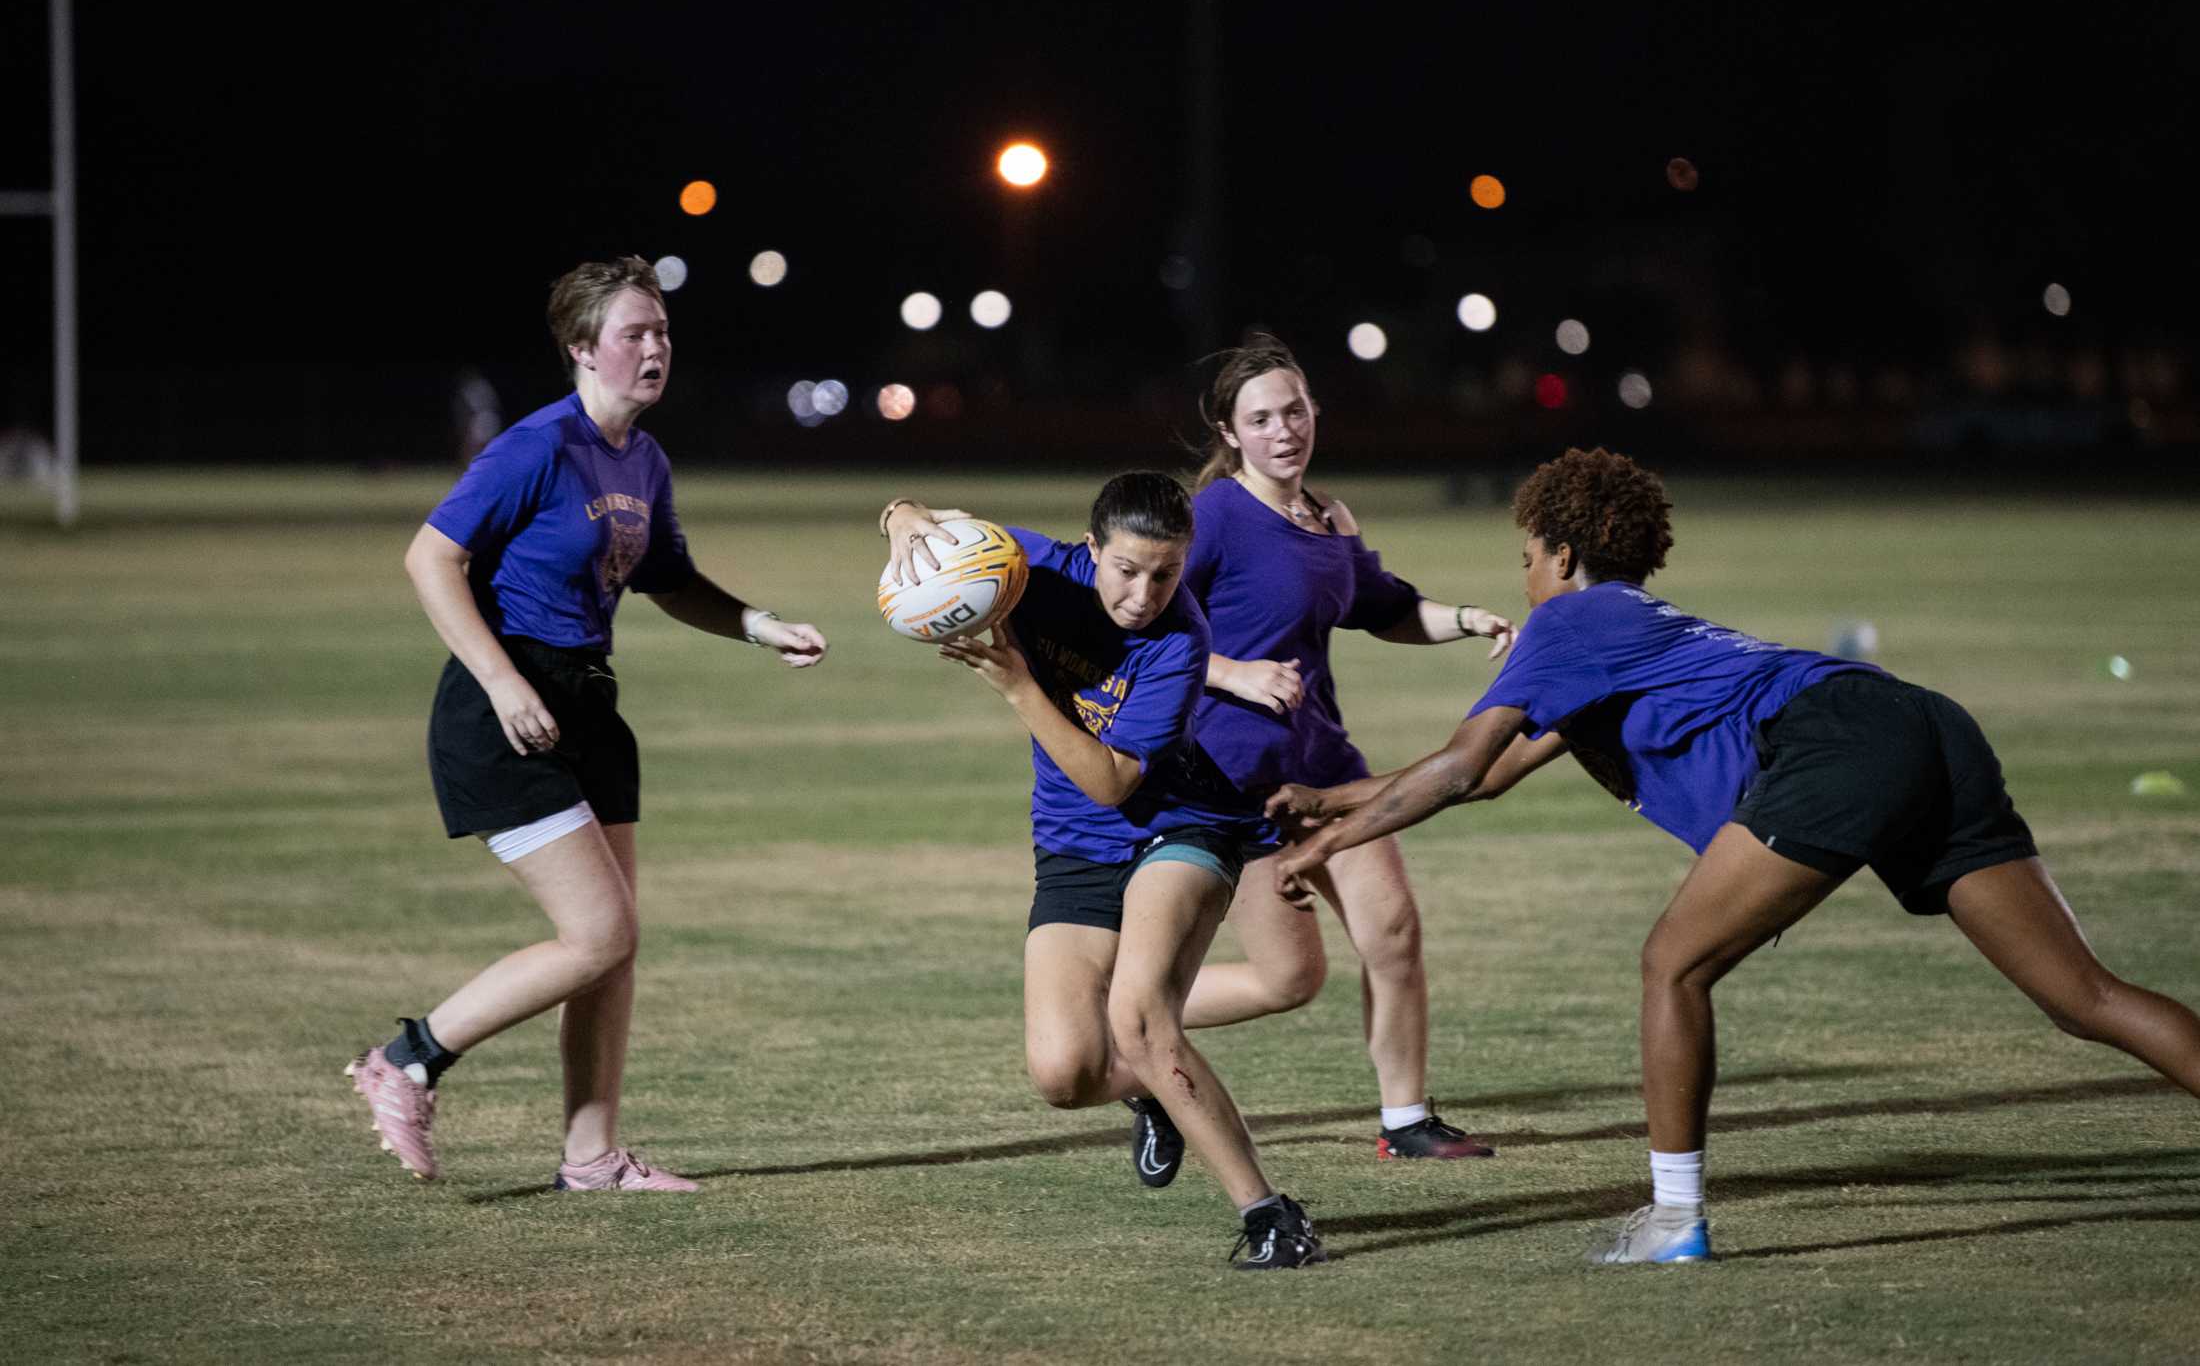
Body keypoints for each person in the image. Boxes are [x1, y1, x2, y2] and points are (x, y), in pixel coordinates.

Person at [1268, 446, 2200, 1263]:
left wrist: (1331, 841)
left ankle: (1676, 1219)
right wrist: (1330, 797)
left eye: (1526, 561)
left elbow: (1463, 770)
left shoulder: (1572, 620)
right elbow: (1494, 768)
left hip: (1835, 740)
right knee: (2086, 995)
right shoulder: (1640, 626)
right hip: (1917, 719)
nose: (1525, 582)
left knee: (1673, 964)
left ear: (1562, 554)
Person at [347, 256, 828, 1190]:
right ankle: (406, 1058)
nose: (655, 349)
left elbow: (670, 580)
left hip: (590, 705)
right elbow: (429, 559)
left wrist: (761, 626)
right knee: (598, 933)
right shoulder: (537, 446)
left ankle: (593, 1159)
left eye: (662, 332)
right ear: (581, 347)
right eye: (633, 333)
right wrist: (501, 682)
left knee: (614, 949)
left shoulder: (643, 458)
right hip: (508, 706)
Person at [882, 474, 1327, 1269]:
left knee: (1143, 1018)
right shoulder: (1034, 567)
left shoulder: (1180, 641)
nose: (1145, 592)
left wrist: (1019, 684)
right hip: (1074, 842)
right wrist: (906, 522)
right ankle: (1153, 1086)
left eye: (1166, 572)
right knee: (1062, 1071)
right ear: (1092, 552)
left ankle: (1270, 1213)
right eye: (1127, 569)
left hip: (1181, 823)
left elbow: (1114, 781)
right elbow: (914, 513)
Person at [1171, 334, 1516, 1165]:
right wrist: (1233, 673)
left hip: (1327, 767)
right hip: (1234, 780)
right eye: (1261, 418)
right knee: (1291, 979)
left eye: (1295, 410)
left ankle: (1406, 1120)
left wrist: (1470, 619)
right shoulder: (1214, 516)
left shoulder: (1329, 517)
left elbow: (1384, 606)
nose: (1284, 429)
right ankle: (1132, 1016)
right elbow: (1140, 624)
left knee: (1393, 930)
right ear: (1230, 432)